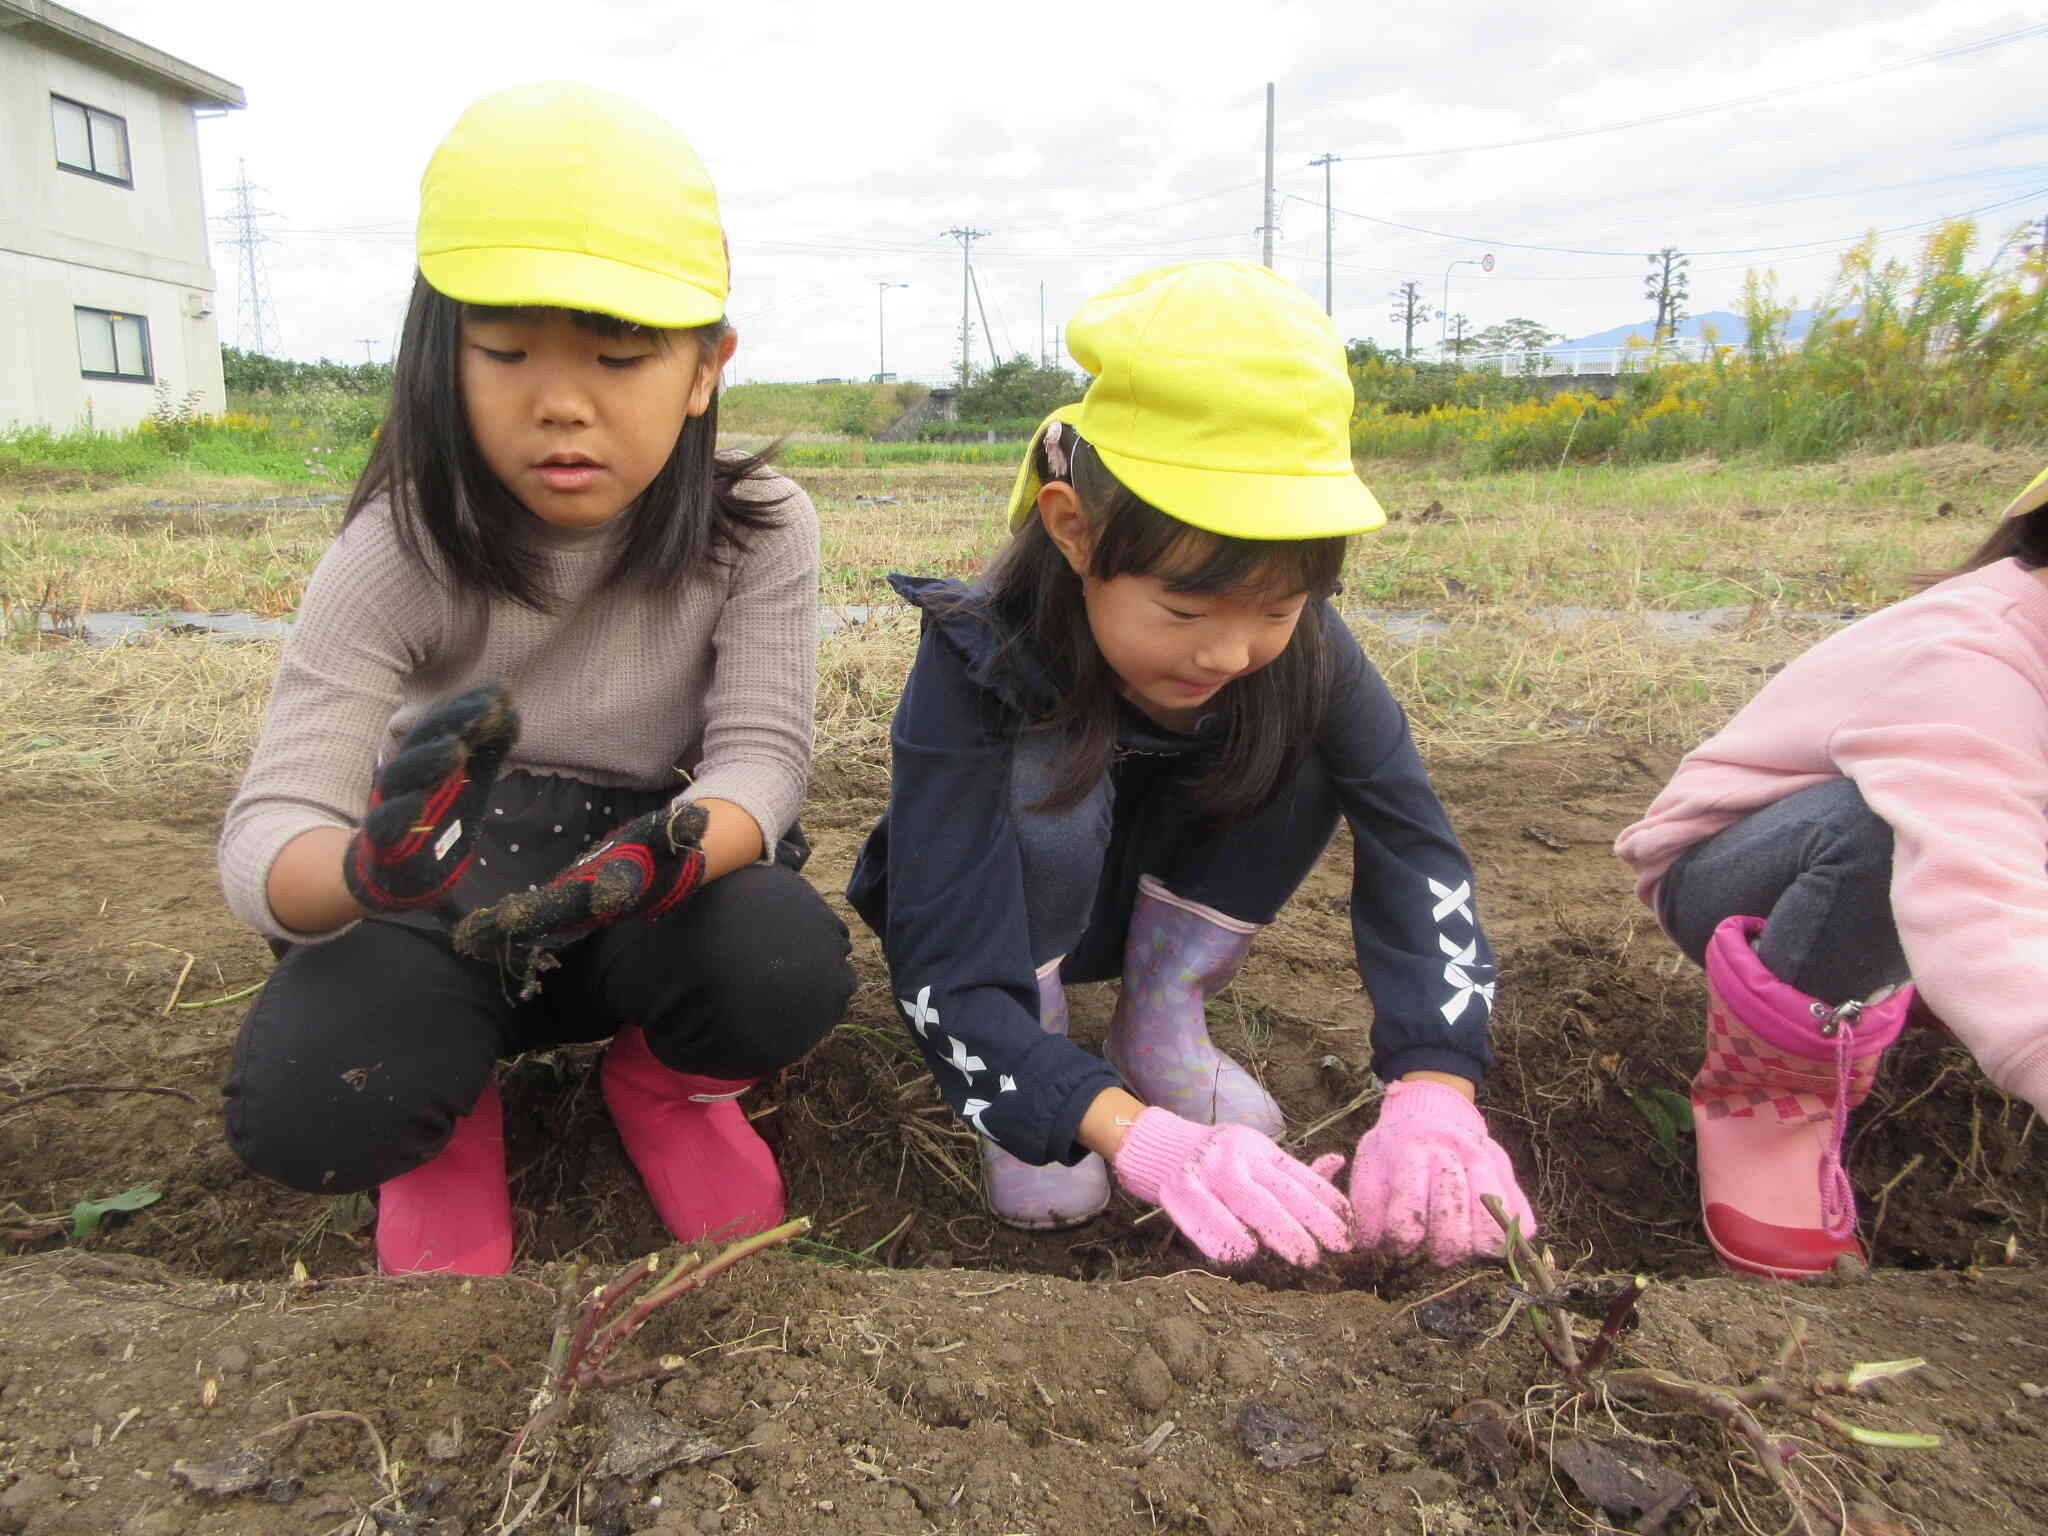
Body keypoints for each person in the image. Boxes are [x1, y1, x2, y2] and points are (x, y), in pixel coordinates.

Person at [216, 83, 854, 1276]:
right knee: (311, 1105)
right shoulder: (395, 553)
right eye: (505, 353)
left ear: (707, 368)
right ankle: (445, 1123)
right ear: (439, 355)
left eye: (619, 357)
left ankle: (665, 1091)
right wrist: (361, 869)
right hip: (433, 904)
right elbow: (269, 827)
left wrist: (656, 856)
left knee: (779, 959)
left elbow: (761, 760)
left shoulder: (760, 529)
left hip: (642, 882)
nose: (561, 402)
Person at [847, 262, 1537, 1269]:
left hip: (1166, 896)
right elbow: (941, 964)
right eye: (1182, 610)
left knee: (1299, 739)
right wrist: (1129, 1132)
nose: (1227, 651)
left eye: (1275, 606)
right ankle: (1045, 1065)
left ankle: (1159, 1022)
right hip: (1012, 934)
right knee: (1044, 795)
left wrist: (1435, 1088)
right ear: (1072, 531)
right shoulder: (976, 653)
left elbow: (1413, 841)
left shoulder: (1299, 650)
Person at [1616, 467, 2048, 1281]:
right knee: (1884, 828)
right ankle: (1770, 1102)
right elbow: (1969, 882)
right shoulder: (1975, 656)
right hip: (1729, 877)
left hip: (1949, 860)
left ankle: (1928, 985)